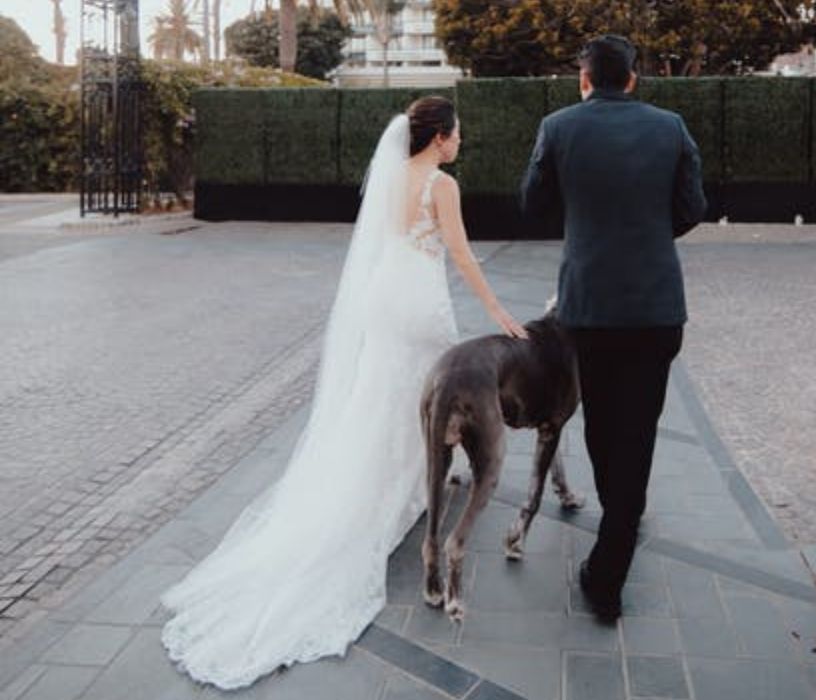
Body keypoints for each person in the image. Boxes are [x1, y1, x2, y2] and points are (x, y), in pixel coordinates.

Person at [160, 96, 527, 690]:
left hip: (384, 297)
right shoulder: (442, 185)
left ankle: (392, 479)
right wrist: (498, 311)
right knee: (426, 397)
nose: (460, 141)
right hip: (418, 302)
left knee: (382, 393)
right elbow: (459, 253)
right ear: (439, 137)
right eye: (456, 133)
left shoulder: (389, 177)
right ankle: (410, 486)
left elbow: (379, 245)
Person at [520, 35, 707, 621]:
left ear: (584, 79)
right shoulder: (671, 127)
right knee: (640, 427)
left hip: (591, 308)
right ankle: (624, 516)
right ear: (632, 78)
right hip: (656, 305)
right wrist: (645, 233)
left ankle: (609, 568)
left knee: (602, 426)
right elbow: (692, 208)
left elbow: (533, 204)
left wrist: (587, 223)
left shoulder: (557, 127)